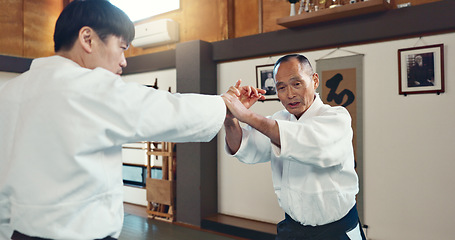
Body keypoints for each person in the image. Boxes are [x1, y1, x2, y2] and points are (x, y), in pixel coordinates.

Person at [0, 0, 254, 239]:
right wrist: (225, 103)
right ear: (87, 39)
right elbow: (167, 110)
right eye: (121, 48)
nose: (123, 61)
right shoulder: (90, 87)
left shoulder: (10, 92)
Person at [222, 54, 366, 240]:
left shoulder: (337, 117)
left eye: (296, 84)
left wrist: (246, 115)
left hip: (337, 230)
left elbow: (309, 142)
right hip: (293, 229)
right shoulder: (278, 120)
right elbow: (245, 148)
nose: (289, 94)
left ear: (314, 80)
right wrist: (231, 118)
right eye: (281, 87)